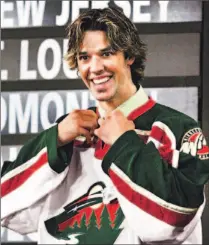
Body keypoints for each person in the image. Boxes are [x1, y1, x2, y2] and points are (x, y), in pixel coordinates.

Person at [1, 7, 209, 245]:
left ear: (129, 56)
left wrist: (124, 144)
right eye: (84, 57)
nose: (95, 67)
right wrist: (53, 140)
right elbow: (9, 208)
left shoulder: (177, 128)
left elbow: (172, 221)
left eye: (107, 53)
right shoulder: (67, 134)